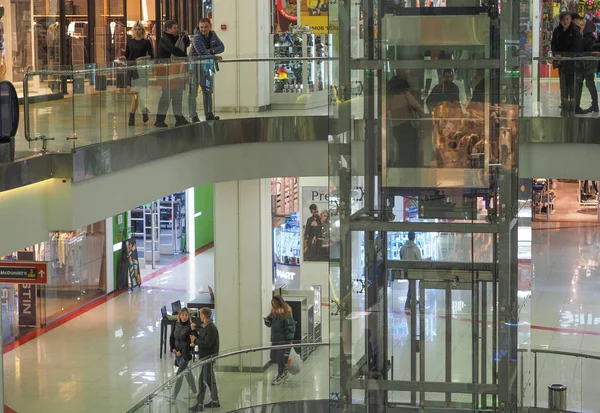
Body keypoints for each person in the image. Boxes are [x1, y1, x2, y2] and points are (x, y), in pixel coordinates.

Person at [155, 20, 190, 128]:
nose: (176, 29)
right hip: (166, 71)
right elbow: (173, 50)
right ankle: (159, 120)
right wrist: (186, 56)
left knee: (177, 94)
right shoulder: (164, 39)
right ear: (168, 29)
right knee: (167, 95)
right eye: (174, 28)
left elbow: (186, 44)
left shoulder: (174, 38)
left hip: (174, 70)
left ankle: (179, 118)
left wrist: (185, 37)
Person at [189, 18, 225, 122]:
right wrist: (213, 56)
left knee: (208, 91)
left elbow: (222, 47)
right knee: (193, 92)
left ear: (210, 26)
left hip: (206, 67)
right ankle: (193, 115)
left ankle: (209, 114)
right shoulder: (196, 38)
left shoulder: (213, 34)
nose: (203, 29)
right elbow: (201, 52)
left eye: (205, 27)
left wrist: (211, 50)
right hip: (194, 67)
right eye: (201, 27)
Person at [386, 72, 424, 168]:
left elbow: (385, 111)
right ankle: (409, 167)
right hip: (407, 126)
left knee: (401, 148)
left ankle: (401, 166)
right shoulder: (405, 94)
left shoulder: (388, 96)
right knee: (410, 149)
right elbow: (418, 107)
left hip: (395, 127)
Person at [120, 21, 154, 126]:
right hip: (131, 69)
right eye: (135, 29)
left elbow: (151, 56)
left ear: (142, 31)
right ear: (133, 30)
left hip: (140, 69)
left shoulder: (146, 42)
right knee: (134, 93)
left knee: (135, 92)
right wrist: (122, 58)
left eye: (139, 29)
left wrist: (142, 58)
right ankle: (144, 111)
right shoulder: (130, 42)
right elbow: (127, 54)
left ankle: (132, 116)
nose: (137, 31)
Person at [551, 11, 583, 116]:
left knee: (572, 87)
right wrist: (557, 54)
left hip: (573, 65)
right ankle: (564, 106)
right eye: (563, 19)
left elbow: (576, 48)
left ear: (570, 20)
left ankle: (573, 108)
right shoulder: (557, 31)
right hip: (562, 65)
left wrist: (563, 55)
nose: (565, 21)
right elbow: (553, 44)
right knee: (563, 87)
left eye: (567, 19)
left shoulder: (575, 31)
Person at [189, 307, 220, 412]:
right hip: (206, 357)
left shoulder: (211, 328)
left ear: (204, 315)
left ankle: (200, 403)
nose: (199, 317)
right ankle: (215, 401)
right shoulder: (205, 327)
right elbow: (202, 339)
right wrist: (194, 333)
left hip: (208, 358)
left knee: (202, 380)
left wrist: (195, 340)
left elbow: (206, 343)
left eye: (200, 314)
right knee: (211, 380)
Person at [263, 296, 296, 385]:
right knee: (273, 356)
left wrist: (289, 340)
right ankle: (284, 371)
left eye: (274, 303)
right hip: (275, 339)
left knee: (280, 358)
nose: (273, 305)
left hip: (283, 340)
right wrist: (266, 321)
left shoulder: (286, 313)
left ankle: (281, 374)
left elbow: (290, 327)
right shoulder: (274, 313)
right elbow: (270, 323)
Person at [169, 307, 197, 400]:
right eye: (182, 315)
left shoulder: (190, 327)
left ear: (188, 316)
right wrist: (173, 348)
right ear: (179, 316)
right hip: (177, 353)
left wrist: (181, 351)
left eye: (186, 315)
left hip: (185, 354)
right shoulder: (176, 324)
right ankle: (194, 391)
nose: (184, 317)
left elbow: (191, 343)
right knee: (186, 372)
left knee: (179, 374)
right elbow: (172, 338)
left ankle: (174, 395)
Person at [574, 14, 599, 113]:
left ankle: (594, 105)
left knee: (589, 84)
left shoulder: (589, 36)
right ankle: (578, 105)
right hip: (582, 63)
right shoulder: (583, 34)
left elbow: (586, 48)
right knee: (582, 84)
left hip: (588, 64)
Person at [401, 232, 422, 310]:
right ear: (414, 237)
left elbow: (401, 258)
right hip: (413, 270)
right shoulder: (416, 248)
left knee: (411, 285)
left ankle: (412, 300)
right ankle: (408, 303)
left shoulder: (403, 247)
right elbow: (419, 260)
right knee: (411, 285)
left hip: (405, 270)